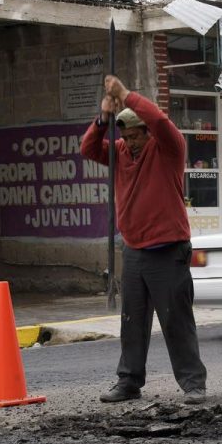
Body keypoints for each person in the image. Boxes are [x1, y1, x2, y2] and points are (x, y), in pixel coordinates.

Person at [81, 75, 207, 404]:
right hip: (134, 250)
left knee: (176, 321)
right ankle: (129, 381)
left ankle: (193, 382)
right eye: (125, 136)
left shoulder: (168, 148)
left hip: (168, 250)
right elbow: (88, 148)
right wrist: (104, 117)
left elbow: (162, 122)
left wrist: (125, 95)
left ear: (148, 133)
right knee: (132, 322)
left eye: (136, 136)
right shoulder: (120, 152)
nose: (130, 142)